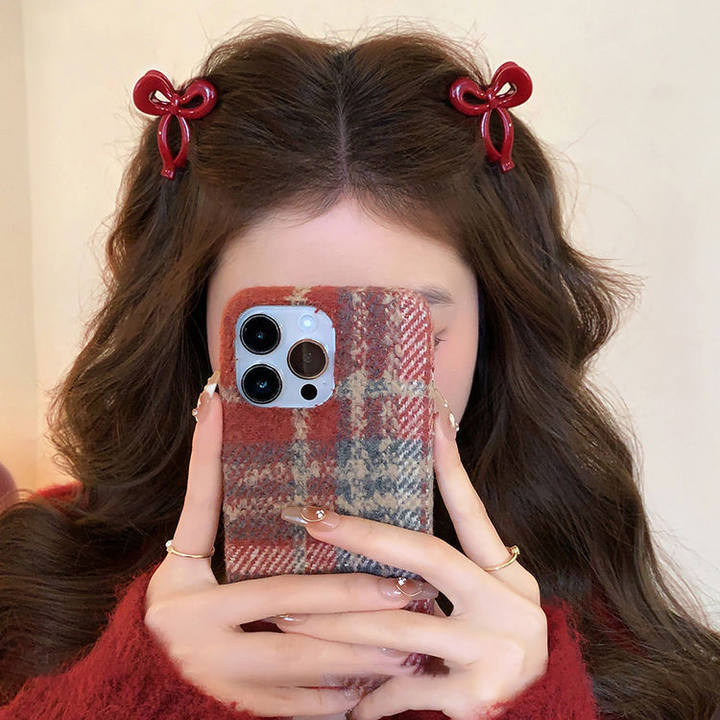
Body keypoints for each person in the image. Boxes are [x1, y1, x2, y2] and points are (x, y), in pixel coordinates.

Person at [1, 19, 719, 720]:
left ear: (497, 328)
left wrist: (535, 706)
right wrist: (140, 693)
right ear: (193, 332)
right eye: (281, 330)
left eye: (398, 333)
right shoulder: (36, 591)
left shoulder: (608, 628)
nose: (345, 391)